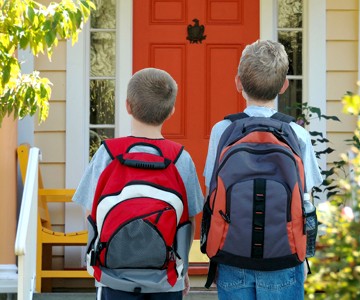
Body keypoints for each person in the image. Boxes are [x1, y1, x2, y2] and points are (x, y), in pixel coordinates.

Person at [203, 40, 323, 299]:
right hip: (284, 257)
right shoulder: (297, 133)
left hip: (232, 255)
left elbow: (211, 189)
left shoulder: (222, 131)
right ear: (284, 85)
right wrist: (305, 253)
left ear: (238, 83)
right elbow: (307, 198)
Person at [73, 68, 204, 300]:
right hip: (166, 278)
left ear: (128, 106)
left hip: (113, 276)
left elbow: (89, 212)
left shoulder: (108, 153)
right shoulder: (180, 158)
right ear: (171, 111)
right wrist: (183, 271)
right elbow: (189, 219)